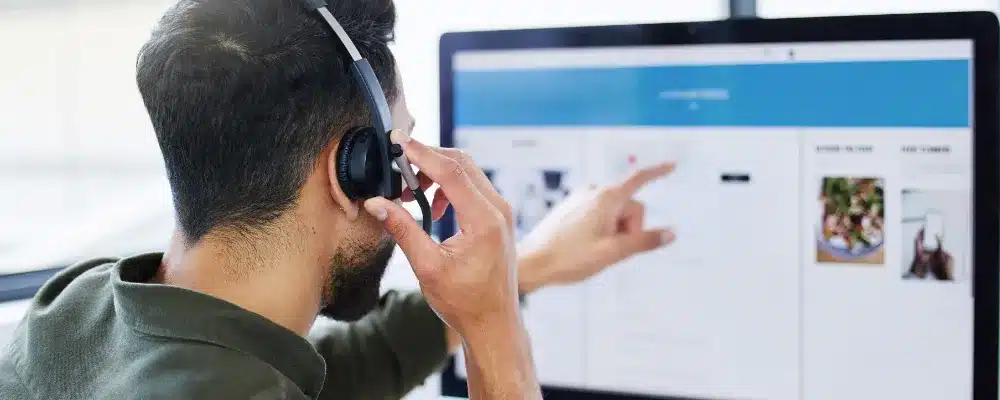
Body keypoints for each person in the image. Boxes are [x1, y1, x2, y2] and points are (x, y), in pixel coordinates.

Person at [0, 0, 677, 399]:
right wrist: (495, 329)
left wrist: (526, 266)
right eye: (402, 154)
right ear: (351, 173)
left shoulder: (75, 309)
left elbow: (334, 376)